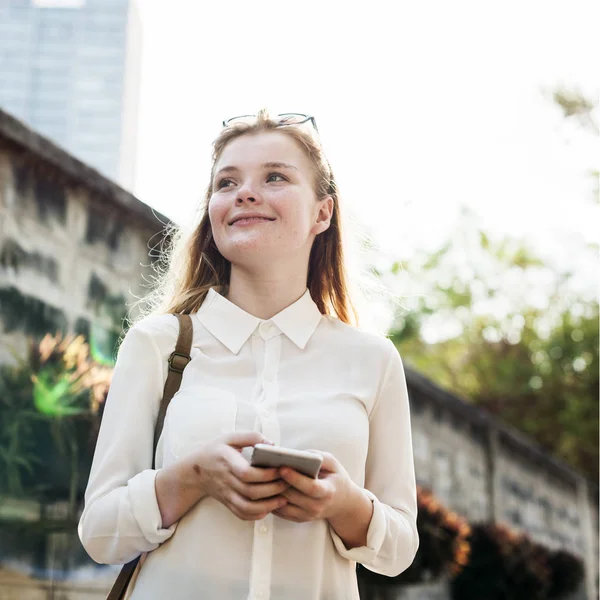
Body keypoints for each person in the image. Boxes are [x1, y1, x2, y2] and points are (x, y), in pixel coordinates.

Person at [78, 111, 419, 600]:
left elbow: (399, 549)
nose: (245, 192)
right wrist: (193, 477)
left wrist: (344, 503)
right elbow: (99, 533)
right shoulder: (157, 344)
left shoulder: (373, 360)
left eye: (275, 176)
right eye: (227, 182)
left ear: (323, 213)